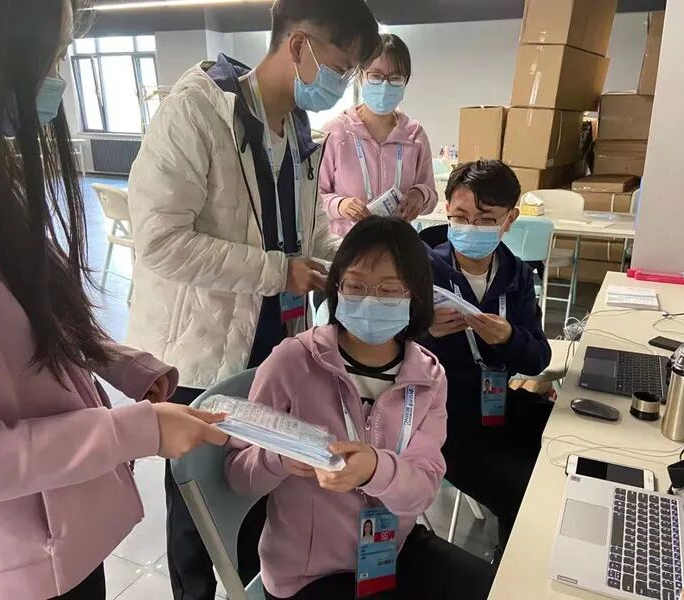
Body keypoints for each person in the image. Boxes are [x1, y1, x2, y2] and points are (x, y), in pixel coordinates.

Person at [125, 1, 381, 597]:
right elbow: (160, 242)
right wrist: (277, 271)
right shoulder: (196, 112)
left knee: (254, 489)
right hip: (203, 352)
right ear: (299, 46)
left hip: (275, 349)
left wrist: (353, 263)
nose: (342, 84)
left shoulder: (298, 129)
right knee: (198, 510)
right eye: (341, 66)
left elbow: (304, 233)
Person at [0, 1, 229, 598]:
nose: (57, 78)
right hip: (14, 559)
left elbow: (38, 319)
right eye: (51, 57)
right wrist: (134, 431)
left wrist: (123, 364)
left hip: (63, 535)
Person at [226, 217, 494, 600]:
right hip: (307, 572)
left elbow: (422, 491)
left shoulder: (427, 376)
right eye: (355, 286)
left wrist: (375, 470)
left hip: (390, 547)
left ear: (415, 297)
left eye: (390, 290)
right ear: (336, 287)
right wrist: (279, 458)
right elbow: (238, 475)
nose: (370, 301)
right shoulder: (292, 362)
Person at [419, 160, 553, 561]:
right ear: (446, 209)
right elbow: (377, 350)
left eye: (486, 220)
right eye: (461, 217)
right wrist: (424, 331)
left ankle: (532, 548)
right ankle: (511, 563)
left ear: (509, 220)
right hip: (441, 421)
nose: (471, 228)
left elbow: (538, 357)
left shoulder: (517, 275)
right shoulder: (419, 271)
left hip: (497, 405)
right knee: (522, 488)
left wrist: (509, 338)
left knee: (567, 446)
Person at [319, 33, 437, 237]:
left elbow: (431, 195)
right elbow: (312, 198)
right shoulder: (336, 132)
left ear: (405, 81)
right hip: (347, 245)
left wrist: (420, 195)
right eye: (375, 76)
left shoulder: (414, 135)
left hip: (396, 244)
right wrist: (339, 205)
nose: (384, 86)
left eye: (395, 78)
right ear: (360, 76)